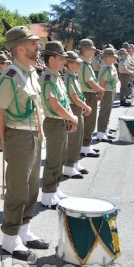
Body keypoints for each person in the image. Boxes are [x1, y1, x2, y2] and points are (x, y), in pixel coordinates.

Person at [0, 26, 49, 262]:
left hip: (34, 135)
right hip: (19, 136)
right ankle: (10, 238)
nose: (38, 47)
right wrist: (6, 140)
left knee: (32, 186)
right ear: (20, 48)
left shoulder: (31, 72)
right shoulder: (11, 76)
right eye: (34, 44)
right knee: (17, 189)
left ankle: (24, 230)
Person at [38, 42, 78, 209]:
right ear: (52, 59)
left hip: (60, 121)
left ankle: (54, 188)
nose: (64, 61)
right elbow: (54, 104)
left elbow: (64, 101)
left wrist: (69, 118)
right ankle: (47, 194)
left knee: (60, 157)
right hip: (53, 122)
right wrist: (72, 118)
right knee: (53, 159)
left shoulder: (56, 76)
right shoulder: (48, 78)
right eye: (61, 58)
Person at [64, 51, 92, 179]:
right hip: (73, 108)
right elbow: (74, 97)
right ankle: (69, 167)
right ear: (68, 64)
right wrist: (85, 106)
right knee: (73, 139)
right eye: (76, 63)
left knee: (79, 137)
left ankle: (75, 163)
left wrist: (84, 105)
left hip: (78, 108)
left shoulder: (73, 76)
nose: (79, 65)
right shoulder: (68, 77)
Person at [77, 39, 105, 158]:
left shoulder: (84, 63)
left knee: (87, 121)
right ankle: (85, 147)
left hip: (86, 93)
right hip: (87, 94)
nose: (94, 51)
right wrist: (100, 90)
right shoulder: (84, 64)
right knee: (89, 121)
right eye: (92, 49)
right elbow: (90, 82)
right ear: (86, 50)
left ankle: (85, 145)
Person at [96, 48, 119, 143]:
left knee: (107, 111)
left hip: (111, 90)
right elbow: (101, 83)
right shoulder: (106, 68)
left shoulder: (110, 66)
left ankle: (104, 130)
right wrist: (100, 94)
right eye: (113, 57)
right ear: (108, 57)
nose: (115, 59)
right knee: (104, 112)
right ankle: (101, 133)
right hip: (106, 92)